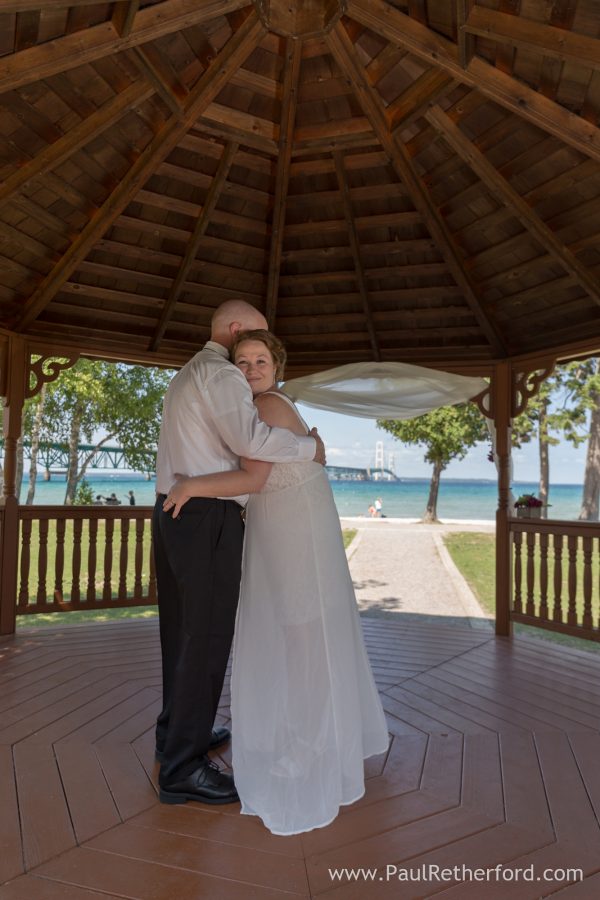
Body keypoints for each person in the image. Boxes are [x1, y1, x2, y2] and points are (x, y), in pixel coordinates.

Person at [164, 329, 389, 835]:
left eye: (260, 360)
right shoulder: (265, 407)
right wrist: (312, 447)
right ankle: (313, 731)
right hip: (288, 526)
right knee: (303, 631)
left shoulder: (265, 406)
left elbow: (254, 479)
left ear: (277, 366)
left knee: (302, 633)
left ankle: (309, 744)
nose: (249, 369)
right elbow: (295, 460)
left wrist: (191, 484)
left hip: (293, 533)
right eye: (241, 361)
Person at [153, 301, 325, 807]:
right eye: (256, 338)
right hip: (207, 516)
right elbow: (250, 439)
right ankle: (182, 769)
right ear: (235, 331)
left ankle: (177, 735)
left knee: (180, 631)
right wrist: (309, 448)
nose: (256, 354)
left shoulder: (187, 373)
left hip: (173, 509)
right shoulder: (222, 374)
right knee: (205, 637)